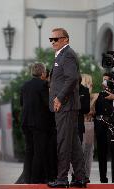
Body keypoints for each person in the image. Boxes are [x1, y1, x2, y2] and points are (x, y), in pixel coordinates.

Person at [47, 28, 86, 188]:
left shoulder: (67, 54)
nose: (53, 42)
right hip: (66, 106)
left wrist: (59, 98)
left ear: (66, 40)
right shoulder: (61, 54)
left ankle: (62, 179)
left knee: (63, 142)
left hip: (65, 106)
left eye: (56, 39)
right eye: (51, 39)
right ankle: (80, 177)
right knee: (73, 143)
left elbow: (72, 78)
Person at [20, 63, 53, 183]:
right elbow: (48, 104)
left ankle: (27, 179)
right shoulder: (43, 85)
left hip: (26, 122)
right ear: (43, 73)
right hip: (39, 124)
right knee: (38, 152)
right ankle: (35, 180)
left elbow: (21, 103)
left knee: (29, 152)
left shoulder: (25, 85)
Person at [93, 72, 114, 183]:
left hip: (112, 125)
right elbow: (94, 111)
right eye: (103, 79)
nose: (104, 82)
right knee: (102, 152)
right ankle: (103, 179)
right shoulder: (100, 94)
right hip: (101, 125)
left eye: (106, 80)